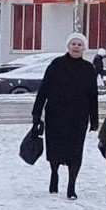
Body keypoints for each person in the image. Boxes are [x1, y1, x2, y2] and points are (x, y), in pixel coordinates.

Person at [32, 33, 99, 200]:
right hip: (56, 115)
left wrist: (94, 119)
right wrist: (36, 113)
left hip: (78, 118)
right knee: (55, 149)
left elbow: (93, 96)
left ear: (84, 48)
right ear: (68, 46)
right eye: (73, 44)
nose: (76, 47)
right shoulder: (56, 65)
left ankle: (71, 186)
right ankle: (54, 175)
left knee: (75, 151)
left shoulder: (89, 69)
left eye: (79, 44)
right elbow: (44, 90)